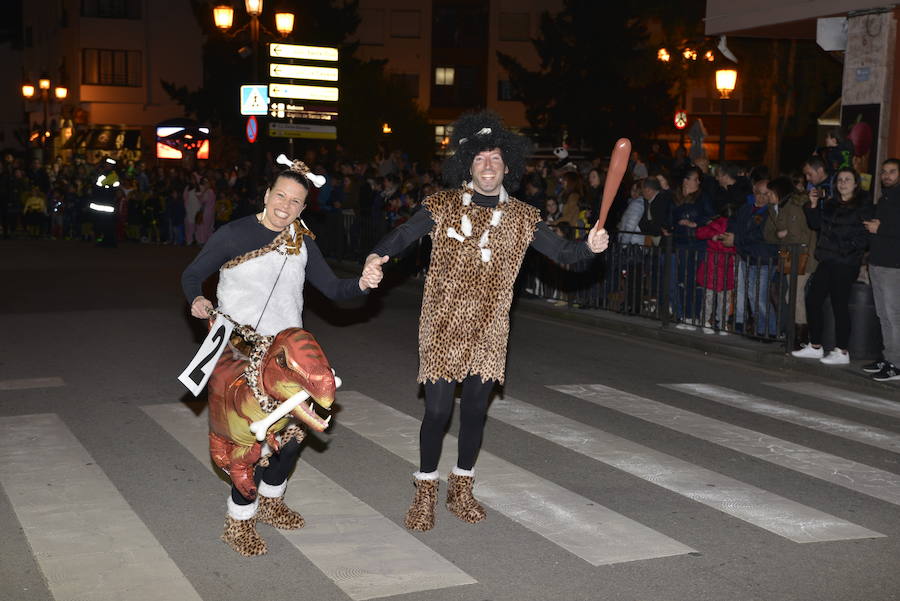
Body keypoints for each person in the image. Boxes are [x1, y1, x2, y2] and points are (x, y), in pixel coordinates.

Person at [361, 111, 609, 531]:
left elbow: (565, 255)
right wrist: (375, 256)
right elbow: (402, 236)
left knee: (475, 410)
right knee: (438, 411)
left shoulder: (524, 217)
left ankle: (461, 489)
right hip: (441, 323)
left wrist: (590, 245)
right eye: (480, 159)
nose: (488, 165)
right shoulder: (439, 207)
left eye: (495, 158)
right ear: (467, 164)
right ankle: (425, 491)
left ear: (507, 166)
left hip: (491, 327)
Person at [181, 158, 384, 556]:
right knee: (248, 442)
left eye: (295, 202)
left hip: (285, 356)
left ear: (304, 208)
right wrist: (198, 299)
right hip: (237, 352)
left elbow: (333, 289)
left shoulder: (303, 241)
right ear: (267, 195)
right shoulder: (233, 234)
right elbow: (191, 274)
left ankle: (272, 500)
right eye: (280, 196)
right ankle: (239, 521)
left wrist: (362, 281)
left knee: (292, 438)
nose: (285, 206)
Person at [792, 167, 870, 364]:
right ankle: (816, 345)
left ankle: (842, 351)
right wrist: (812, 205)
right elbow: (816, 225)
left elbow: (865, 236)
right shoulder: (830, 204)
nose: (843, 183)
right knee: (812, 299)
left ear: (855, 184)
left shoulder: (863, 205)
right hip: (827, 259)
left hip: (846, 262)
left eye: (847, 179)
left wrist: (849, 249)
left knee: (839, 304)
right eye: (840, 180)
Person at [763, 176, 816, 348]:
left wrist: (783, 236)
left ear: (779, 192)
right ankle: (795, 334)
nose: (767, 196)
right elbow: (768, 234)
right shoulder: (773, 208)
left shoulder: (793, 207)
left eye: (770, 192)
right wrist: (780, 235)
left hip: (802, 256)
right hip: (788, 255)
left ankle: (800, 335)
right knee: (792, 295)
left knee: (793, 295)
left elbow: (798, 236)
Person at [862, 158, 900, 381]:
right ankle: (889, 357)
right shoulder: (886, 197)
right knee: (883, 314)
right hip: (878, 262)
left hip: (893, 265)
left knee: (893, 315)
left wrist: (881, 227)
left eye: (892, 172)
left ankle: (897, 364)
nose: (886, 175)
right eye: (884, 172)